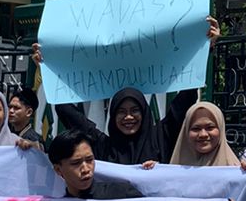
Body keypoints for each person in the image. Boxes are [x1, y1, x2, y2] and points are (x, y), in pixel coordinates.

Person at [47, 17, 222, 163]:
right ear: (113, 116)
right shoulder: (103, 146)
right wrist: (47, 66)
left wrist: (207, 48)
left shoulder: (161, 137)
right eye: (121, 112)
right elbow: (66, 111)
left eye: (134, 110)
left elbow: (185, 98)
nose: (128, 117)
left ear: (144, 112)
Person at [48, 132, 142, 200]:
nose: (86, 169)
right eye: (76, 163)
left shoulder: (122, 194)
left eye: (89, 160)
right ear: (58, 170)